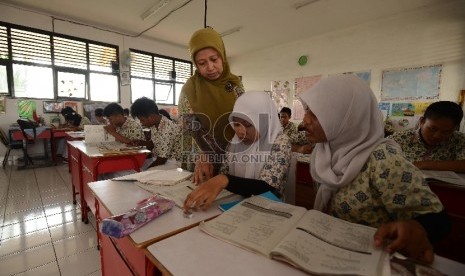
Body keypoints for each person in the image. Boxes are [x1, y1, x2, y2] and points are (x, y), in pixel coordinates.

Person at [299, 75, 449, 264]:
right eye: (307, 110)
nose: (305, 121)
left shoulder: (383, 158)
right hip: (330, 249)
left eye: (316, 114)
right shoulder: (323, 151)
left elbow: (439, 220)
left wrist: (415, 227)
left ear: (346, 117)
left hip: (371, 258)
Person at [183, 91, 291, 211]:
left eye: (248, 125)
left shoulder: (280, 142)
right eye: (236, 124)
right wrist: (208, 173)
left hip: (268, 210)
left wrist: (224, 179)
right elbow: (225, 173)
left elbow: (266, 187)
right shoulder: (236, 142)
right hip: (236, 206)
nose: (240, 131)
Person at [178, 27, 245, 182]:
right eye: (202, 63)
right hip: (202, 160)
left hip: (234, 157)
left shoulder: (236, 85)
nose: (210, 67)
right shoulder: (189, 90)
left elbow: (244, 120)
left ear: (222, 56)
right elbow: (188, 130)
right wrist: (204, 153)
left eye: (214, 59)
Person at [388, 101, 465, 173]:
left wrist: (426, 164)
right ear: (422, 122)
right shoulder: (398, 139)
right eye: (433, 129)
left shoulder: (460, 140)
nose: (437, 136)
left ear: (455, 128)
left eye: (446, 132)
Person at [130, 97, 181, 168]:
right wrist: (142, 142)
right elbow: (154, 144)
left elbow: (162, 159)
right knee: (134, 167)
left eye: (142, 120)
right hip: (158, 159)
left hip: (172, 162)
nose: (141, 123)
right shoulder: (154, 125)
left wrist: (146, 171)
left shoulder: (168, 128)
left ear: (151, 117)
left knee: (141, 173)